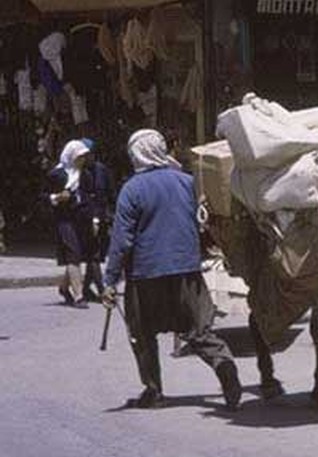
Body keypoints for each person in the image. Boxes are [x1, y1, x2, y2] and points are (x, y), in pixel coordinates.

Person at [102, 129, 242, 411]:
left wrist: (109, 279)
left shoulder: (132, 189)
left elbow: (122, 239)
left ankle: (153, 390)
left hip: (146, 273)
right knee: (199, 331)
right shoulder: (187, 182)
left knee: (142, 334)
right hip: (186, 268)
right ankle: (224, 367)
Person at [48, 139, 93, 308]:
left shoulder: (86, 175)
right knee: (73, 253)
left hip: (81, 220)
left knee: (77, 254)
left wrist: (94, 218)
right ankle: (79, 296)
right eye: (79, 157)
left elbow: (90, 196)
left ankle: (64, 287)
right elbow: (43, 197)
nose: (82, 160)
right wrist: (57, 197)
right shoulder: (56, 175)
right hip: (64, 220)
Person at [80, 138, 115, 302]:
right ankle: (101, 289)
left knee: (96, 254)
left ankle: (85, 288)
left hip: (102, 217)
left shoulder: (102, 170)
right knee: (92, 255)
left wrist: (110, 214)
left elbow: (110, 193)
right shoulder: (78, 173)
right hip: (85, 219)